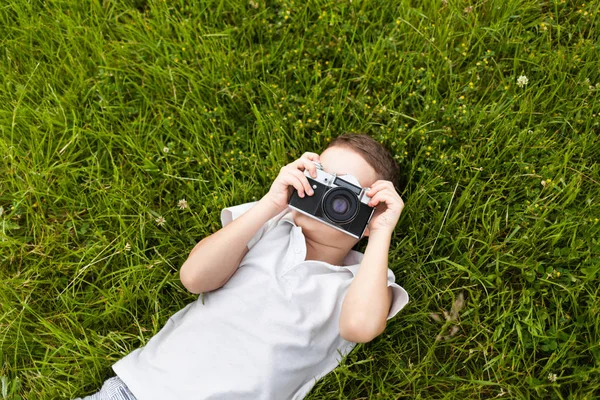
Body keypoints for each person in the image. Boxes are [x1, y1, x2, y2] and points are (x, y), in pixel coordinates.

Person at [75, 133, 409, 400]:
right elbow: (194, 277)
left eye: (344, 192)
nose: (325, 194)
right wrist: (271, 203)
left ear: (370, 214)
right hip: (142, 389)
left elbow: (360, 327)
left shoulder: (361, 280)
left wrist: (380, 233)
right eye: (321, 178)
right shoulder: (269, 225)